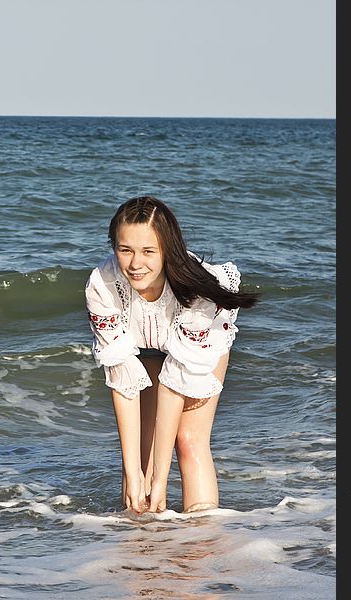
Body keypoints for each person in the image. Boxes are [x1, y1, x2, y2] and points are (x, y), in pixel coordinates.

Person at [85, 196, 257, 514]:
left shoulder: (199, 294)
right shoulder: (102, 286)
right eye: (126, 250)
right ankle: (141, 551)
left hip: (196, 347)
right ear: (114, 247)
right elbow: (121, 377)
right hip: (144, 346)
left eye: (149, 251)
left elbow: (175, 382)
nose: (136, 264)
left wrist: (162, 479)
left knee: (188, 441)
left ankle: (203, 540)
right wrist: (132, 471)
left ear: (168, 249)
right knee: (140, 462)